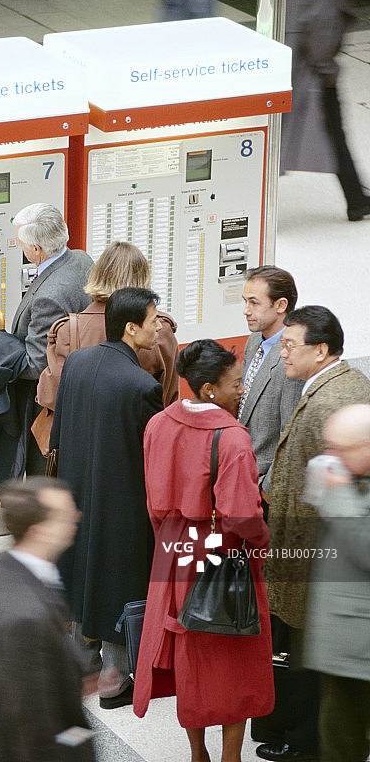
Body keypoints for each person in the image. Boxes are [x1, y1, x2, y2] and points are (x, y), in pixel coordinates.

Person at [133, 339, 274, 762]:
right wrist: (263, 543)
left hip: (175, 552)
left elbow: (154, 503)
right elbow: (241, 517)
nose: (241, 391)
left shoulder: (158, 424)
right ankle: (231, 757)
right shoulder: (231, 439)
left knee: (188, 659)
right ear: (209, 388)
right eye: (235, 383)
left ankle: (199, 754)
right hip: (224, 555)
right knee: (237, 664)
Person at [257, 306, 370, 762]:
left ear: (321, 351)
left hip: (313, 563)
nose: (280, 352)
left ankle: (304, 744)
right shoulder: (335, 385)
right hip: (313, 559)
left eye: (289, 345)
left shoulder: (330, 401)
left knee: (310, 668)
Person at [51, 287, 164, 709]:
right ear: (132, 329)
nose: (158, 327)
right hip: (123, 503)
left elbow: (59, 432)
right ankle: (116, 680)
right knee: (120, 581)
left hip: (76, 491)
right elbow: (152, 458)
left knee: (80, 571)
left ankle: (83, 663)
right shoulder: (142, 386)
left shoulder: (78, 362)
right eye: (153, 321)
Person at [0, 476, 96, 762]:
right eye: (64, 514)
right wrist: (81, 743)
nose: (77, 515)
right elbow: (37, 734)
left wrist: (77, 676)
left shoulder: (4, 568)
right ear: (38, 531)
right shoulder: (25, 620)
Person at [37, 241, 179, 413]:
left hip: (83, 433)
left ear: (98, 275)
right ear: (143, 279)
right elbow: (169, 398)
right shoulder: (159, 329)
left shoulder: (68, 329)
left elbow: (52, 396)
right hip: (140, 433)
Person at [303, 404, 370, 762]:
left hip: (360, 646)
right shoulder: (349, 476)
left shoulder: (347, 486)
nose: (331, 458)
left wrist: (340, 495)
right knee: (338, 738)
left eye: (339, 449)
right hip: (344, 644)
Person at [281, 0, 370, 222]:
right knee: (335, 134)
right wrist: (327, 70)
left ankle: (355, 197)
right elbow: (323, 33)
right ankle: (355, 199)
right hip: (312, 76)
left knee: (327, 135)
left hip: (287, 68)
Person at [10, 203, 93, 473]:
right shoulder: (80, 258)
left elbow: (36, 364)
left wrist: (2, 364)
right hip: (82, 389)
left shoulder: (51, 296)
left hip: (50, 403)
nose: (19, 247)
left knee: (41, 473)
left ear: (36, 250)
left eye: (21, 243)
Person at [239, 266, 303, 517]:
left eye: (254, 303)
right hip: (245, 477)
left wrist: (267, 489)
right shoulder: (255, 339)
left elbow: (290, 434)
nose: (246, 310)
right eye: (245, 302)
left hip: (265, 488)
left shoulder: (292, 358)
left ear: (281, 305)